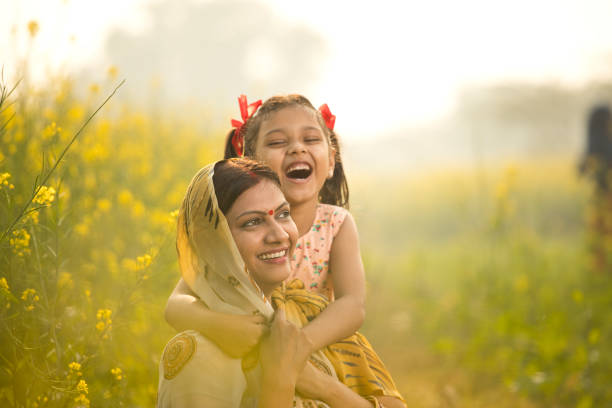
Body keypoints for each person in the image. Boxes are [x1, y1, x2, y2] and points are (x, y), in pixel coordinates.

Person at [157, 158, 404, 407]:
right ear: (211, 242)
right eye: (252, 222)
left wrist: (323, 385)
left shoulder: (303, 322)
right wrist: (280, 379)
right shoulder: (197, 355)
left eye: (284, 214)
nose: (280, 235)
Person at [165, 95, 366, 361]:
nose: (297, 149)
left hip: (318, 352)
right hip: (248, 353)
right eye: (277, 142)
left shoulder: (336, 225)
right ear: (251, 164)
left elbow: (352, 304)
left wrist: (299, 346)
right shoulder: (233, 231)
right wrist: (220, 326)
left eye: (311, 139)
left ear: (331, 161)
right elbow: (176, 306)